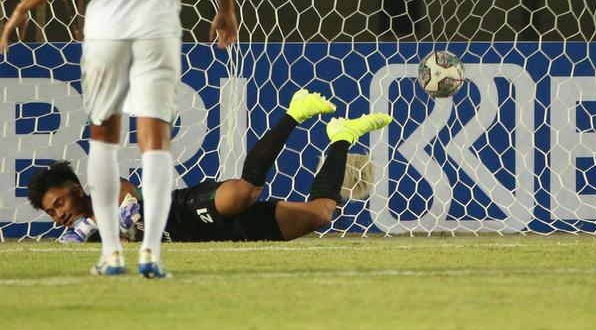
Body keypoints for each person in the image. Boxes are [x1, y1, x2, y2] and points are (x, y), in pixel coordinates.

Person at [1, 0, 238, 278]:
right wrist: (224, 11)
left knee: (104, 143)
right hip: (157, 31)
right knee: (155, 143)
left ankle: (111, 252)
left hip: (106, 32)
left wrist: (22, 9)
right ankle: (150, 252)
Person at [27, 89, 392, 246]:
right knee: (321, 214)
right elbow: (73, 246)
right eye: (51, 212)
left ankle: (295, 111)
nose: (58, 215)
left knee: (242, 194)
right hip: (214, 240)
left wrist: (102, 230)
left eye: (58, 203)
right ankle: (343, 136)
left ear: (76, 188)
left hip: (184, 214)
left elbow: (131, 205)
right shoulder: (76, 235)